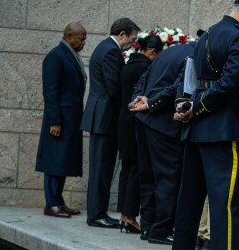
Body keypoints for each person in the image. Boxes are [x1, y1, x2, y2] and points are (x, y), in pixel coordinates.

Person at [172, 0, 239, 250]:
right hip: (221, 129)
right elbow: (229, 83)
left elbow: (190, 78)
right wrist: (198, 107)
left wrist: (186, 105)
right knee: (224, 205)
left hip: (195, 131)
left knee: (189, 202)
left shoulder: (206, 34)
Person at [129, 36, 199, 244]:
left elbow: (144, 78)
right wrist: (151, 103)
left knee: (148, 176)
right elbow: (179, 87)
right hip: (162, 125)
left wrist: (138, 99)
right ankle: (161, 230)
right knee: (167, 178)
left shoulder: (170, 50)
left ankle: (148, 226)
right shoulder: (194, 56)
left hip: (144, 121)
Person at [80, 17, 141, 228]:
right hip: (105, 117)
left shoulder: (105, 48)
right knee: (101, 169)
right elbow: (114, 87)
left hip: (102, 116)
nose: (132, 43)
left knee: (101, 168)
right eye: (131, 39)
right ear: (121, 33)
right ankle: (97, 215)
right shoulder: (111, 51)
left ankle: (97, 213)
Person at [35, 22, 87, 218]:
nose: (83, 43)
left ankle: (58, 201)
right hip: (59, 121)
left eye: (84, 40)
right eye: (80, 39)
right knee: (53, 162)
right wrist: (54, 120)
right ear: (69, 36)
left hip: (71, 119)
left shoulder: (70, 55)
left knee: (62, 161)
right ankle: (51, 204)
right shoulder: (55, 56)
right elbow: (50, 91)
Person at [117, 35, 163, 233]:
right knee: (137, 170)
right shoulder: (146, 68)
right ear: (152, 52)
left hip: (123, 122)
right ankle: (130, 216)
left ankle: (124, 215)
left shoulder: (127, 66)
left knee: (127, 170)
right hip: (137, 122)